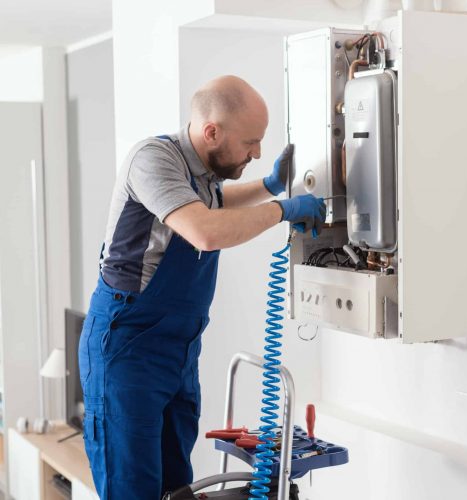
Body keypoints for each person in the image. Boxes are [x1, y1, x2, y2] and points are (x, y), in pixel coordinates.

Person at [79, 75, 325, 499]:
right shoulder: (152, 159)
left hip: (177, 351)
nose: (257, 152)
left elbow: (215, 203)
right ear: (212, 132)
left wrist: (267, 185)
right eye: (250, 141)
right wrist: (281, 209)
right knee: (132, 488)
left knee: (176, 489)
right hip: (126, 348)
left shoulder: (204, 175)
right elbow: (204, 230)